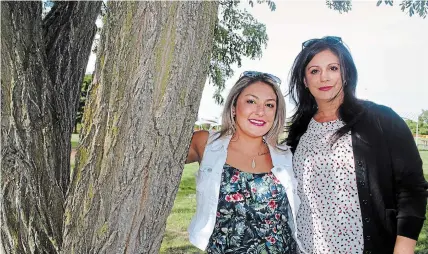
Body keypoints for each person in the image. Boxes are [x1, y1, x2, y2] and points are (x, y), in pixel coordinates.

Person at [285, 36, 428, 253]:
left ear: (347, 72)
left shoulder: (381, 119)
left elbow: (412, 188)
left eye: (333, 68)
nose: (324, 77)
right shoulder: (299, 131)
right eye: (314, 71)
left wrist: (403, 249)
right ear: (305, 81)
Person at [186, 71, 305, 253]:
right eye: (251, 101)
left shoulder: (286, 156)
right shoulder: (206, 144)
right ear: (234, 107)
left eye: (269, 105)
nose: (260, 111)